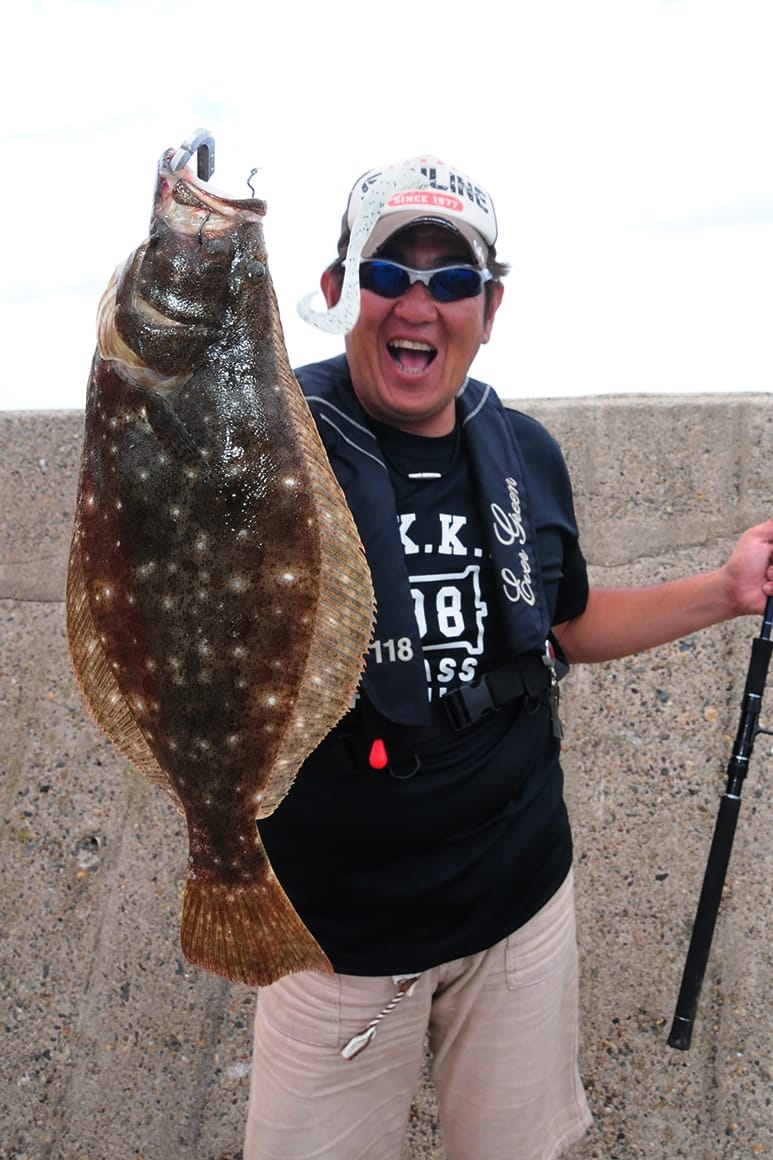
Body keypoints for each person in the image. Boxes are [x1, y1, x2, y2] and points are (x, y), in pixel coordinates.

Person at [243, 155, 773, 1160]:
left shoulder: (522, 454)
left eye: (452, 281)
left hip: (519, 902)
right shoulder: (268, 452)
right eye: (389, 271)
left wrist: (726, 588)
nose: (418, 302)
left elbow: (566, 624)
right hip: (332, 938)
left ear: (487, 308)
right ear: (334, 290)